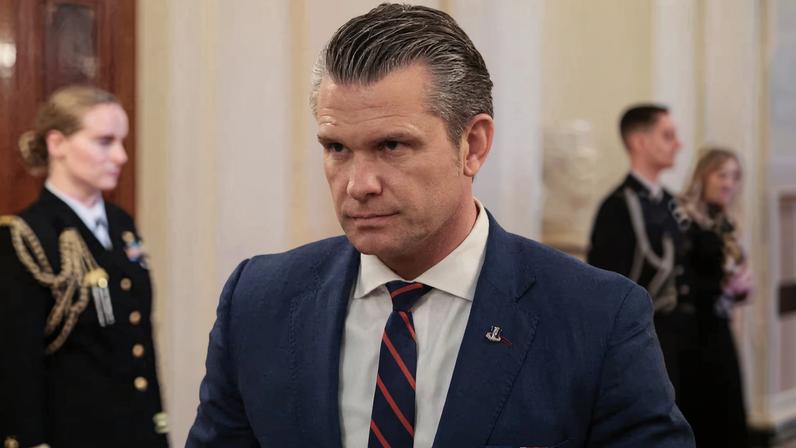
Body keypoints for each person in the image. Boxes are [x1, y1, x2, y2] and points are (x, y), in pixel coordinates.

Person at [188, 4, 693, 447]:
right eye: (336, 148)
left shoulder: (597, 316)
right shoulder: (257, 303)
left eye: (392, 146)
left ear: (472, 145)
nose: (358, 183)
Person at [0, 86, 169, 448]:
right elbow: (18, 362)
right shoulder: (26, 236)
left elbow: (138, 342)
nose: (121, 156)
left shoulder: (120, 223)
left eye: (122, 142)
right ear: (57, 143)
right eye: (104, 142)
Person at [587, 104, 695, 402]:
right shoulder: (618, 207)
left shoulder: (671, 203)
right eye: (668, 136)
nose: (678, 144)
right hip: (646, 339)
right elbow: (608, 284)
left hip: (683, 339)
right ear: (640, 141)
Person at [679, 148, 751, 447]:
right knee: (702, 410)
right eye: (722, 174)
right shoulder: (685, 220)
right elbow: (685, 279)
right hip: (691, 331)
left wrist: (742, 287)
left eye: (734, 176)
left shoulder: (726, 224)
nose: (728, 183)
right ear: (703, 176)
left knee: (729, 407)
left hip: (719, 325)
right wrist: (725, 287)